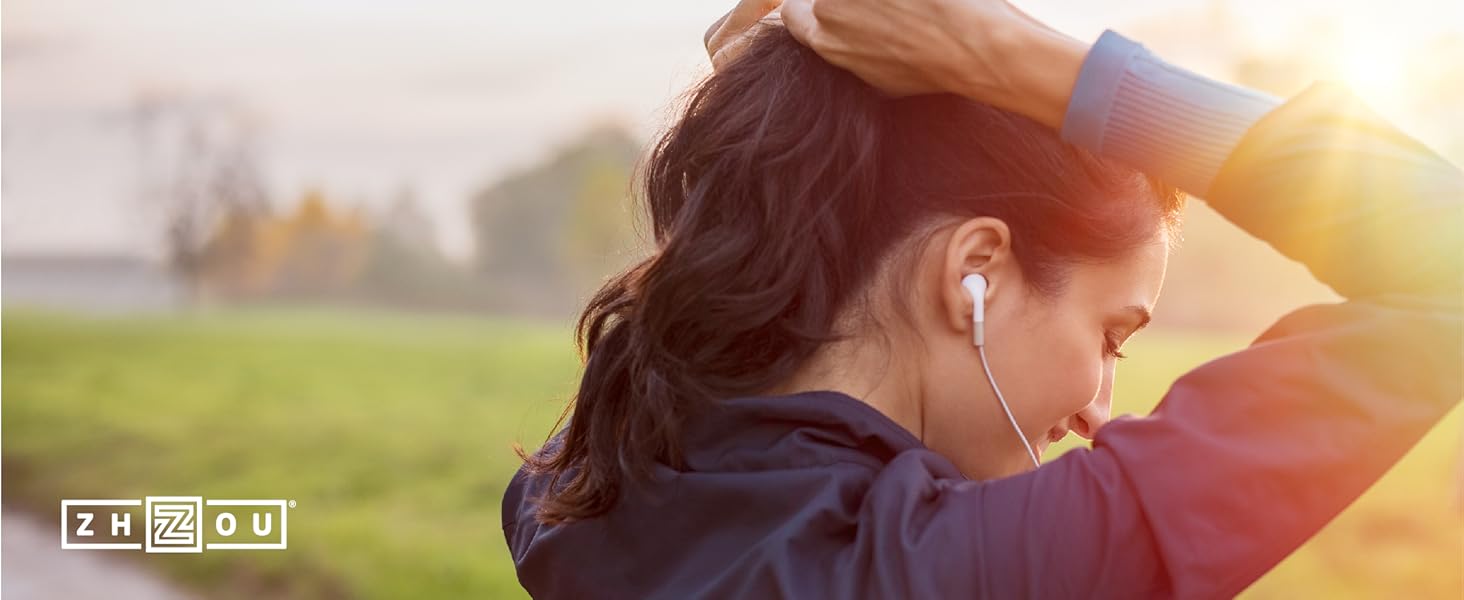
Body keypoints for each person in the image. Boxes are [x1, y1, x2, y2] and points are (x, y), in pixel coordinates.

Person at [503, 0, 1464, 596]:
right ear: (975, 271)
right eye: (1112, 333)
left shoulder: (572, 504)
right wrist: (1024, 58)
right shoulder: (968, 571)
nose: (1100, 409)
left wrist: (786, 126)